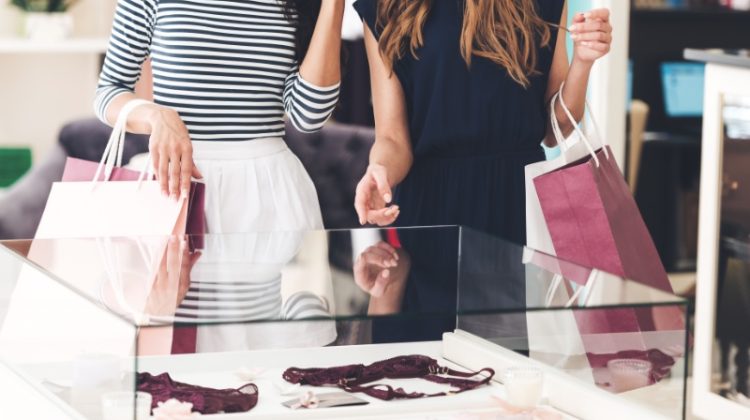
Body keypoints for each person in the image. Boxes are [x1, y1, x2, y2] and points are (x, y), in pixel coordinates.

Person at [352, 0, 613, 244]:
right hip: (432, 209)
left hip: (520, 206)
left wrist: (582, 62)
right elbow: (392, 139)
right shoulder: (387, 5)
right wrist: (380, 169)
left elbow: (556, 130)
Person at [95, 0, 346, 233]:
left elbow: (310, 115)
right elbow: (109, 90)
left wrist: (334, 4)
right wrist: (156, 116)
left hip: (266, 192)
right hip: (175, 185)